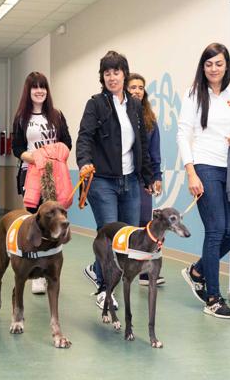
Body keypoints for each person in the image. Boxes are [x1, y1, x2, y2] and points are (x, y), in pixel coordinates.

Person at [76, 51, 154, 309]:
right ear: (103, 77)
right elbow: (85, 136)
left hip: (130, 181)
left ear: (124, 74)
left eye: (116, 72)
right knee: (109, 234)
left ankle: (99, 273)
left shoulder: (133, 105)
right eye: (107, 73)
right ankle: (104, 289)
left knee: (127, 238)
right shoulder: (96, 104)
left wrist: (148, 175)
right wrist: (84, 161)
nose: (112, 77)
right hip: (102, 182)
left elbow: (141, 143)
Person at [176, 42, 230, 319]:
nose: (214, 68)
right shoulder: (194, 94)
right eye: (208, 64)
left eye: (218, 63)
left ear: (226, 65)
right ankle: (213, 298)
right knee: (216, 229)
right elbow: (183, 134)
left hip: (229, 169)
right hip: (204, 166)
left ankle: (198, 271)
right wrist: (191, 171)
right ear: (202, 67)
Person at [11, 71, 72, 295]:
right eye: (35, 87)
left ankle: (50, 269)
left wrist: (53, 156)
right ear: (28, 91)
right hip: (31, 175)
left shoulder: (56, 115)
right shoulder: (21, 118)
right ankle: (36, 273)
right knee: (36, 222)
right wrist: (36, 158)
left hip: (56, 176)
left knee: (56, 221)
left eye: (43, 87)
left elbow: (67, 142)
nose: (40, 91)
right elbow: (17, 149)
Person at [127, 73, 165, 286]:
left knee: (145, 225)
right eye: (132, 87)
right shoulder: (121, 117)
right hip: (123, 177)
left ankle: (144, 273)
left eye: (140, 87)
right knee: (127, 225)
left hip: (144, 179)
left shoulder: (150, 121)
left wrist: (156, 177)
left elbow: (154, 153)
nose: (137, 91)